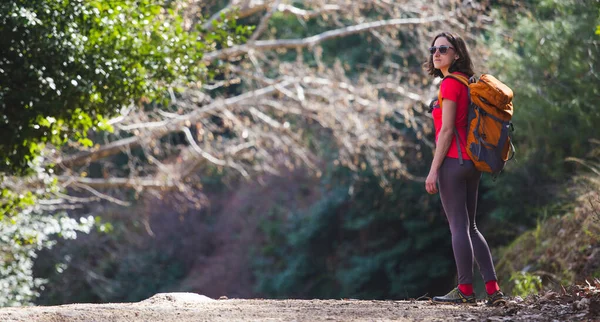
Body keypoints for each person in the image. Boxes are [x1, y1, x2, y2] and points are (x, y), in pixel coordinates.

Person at [423, 31, 506, 306]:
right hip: (472, 163)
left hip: (453, 162)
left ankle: (465, 290)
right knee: (471, 226)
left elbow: (446, 131)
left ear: (457, 54)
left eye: (443, 49)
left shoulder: (449, 84)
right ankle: (493, 289)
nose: (437, 53)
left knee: (458, 227)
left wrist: (434, 170)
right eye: (434, 49)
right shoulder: (466, 83)